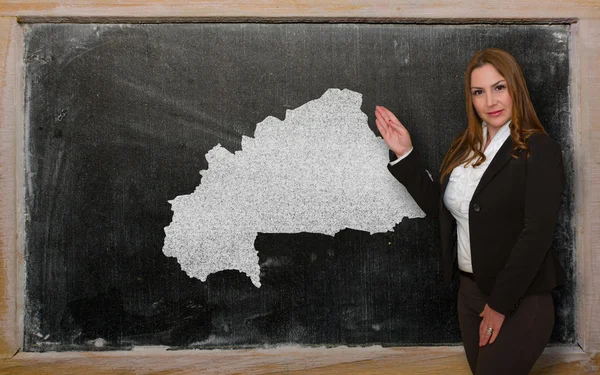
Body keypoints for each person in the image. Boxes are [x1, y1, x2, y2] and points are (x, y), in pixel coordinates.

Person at [375, 48, 566, 374]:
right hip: (470, 296)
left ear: (515, 89)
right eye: (479, 92)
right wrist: (405, 152)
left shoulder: (538, 148)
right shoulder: (465, 147)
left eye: (499, 88)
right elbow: (442, 209)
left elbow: (536, 235)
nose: (490, 101)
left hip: (519, 301)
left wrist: (498, 306)